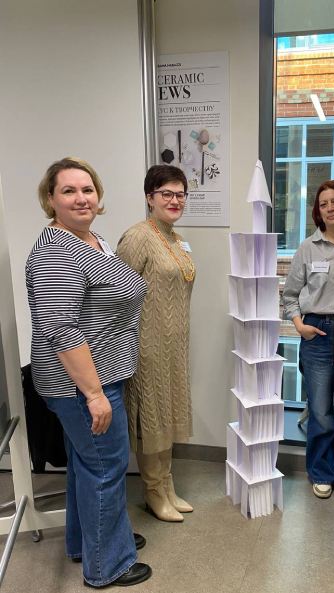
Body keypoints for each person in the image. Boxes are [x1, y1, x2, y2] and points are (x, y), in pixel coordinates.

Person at [27, 157, 151, 587]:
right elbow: (60, 328)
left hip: (100, 375)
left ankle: (89, 543)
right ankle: (108, 565)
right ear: (50, 199)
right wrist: (95, 394)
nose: (81, 198)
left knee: (87, 464)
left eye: (88, 189)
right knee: (105, 467)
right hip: (82, 385)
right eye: (69, 191)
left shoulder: (92, 240)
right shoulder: (55, 253)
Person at [116, 164, 195, 523]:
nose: (175, 200)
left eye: (180, 194)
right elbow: (117, 295)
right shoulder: (137, 237)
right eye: (166, 193)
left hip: (175, 346)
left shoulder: (175, 238)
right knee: (153, 417)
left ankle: (166, 484)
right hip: (146, 347)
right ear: (150, 198)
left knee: (170, 412)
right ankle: (152, 491)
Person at [282, 180, 334, 500]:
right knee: (321, 410)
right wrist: (300, 326)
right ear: (317, 211)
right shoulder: (308, 248)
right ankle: (321, 472)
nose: (330, 208)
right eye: (324, 203)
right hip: (317, 332)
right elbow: (290, 295)